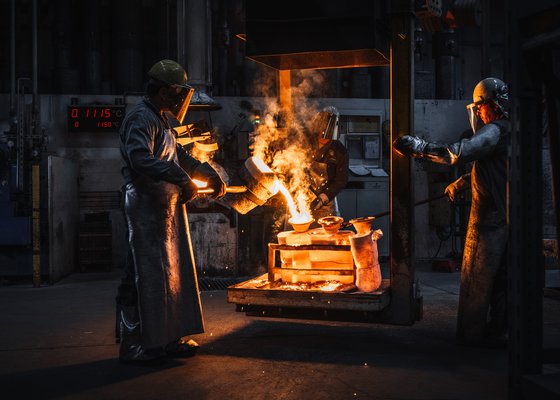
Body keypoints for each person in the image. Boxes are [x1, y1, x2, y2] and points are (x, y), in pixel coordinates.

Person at [116, 59, 226, 365]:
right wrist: (181, 178)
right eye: (178, 93)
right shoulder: (140, 118)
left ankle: (167, 337)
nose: (180, 100)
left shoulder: (160, 119)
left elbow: (178, 155)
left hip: (163, 207)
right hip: (144, 207)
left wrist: (207, 170)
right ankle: (133, 343)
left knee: (170, 274)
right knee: (138, 276)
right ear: (164, 92)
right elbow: (141, 159)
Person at [393, 77, 510, 348]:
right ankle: (499, 331)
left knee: (476, 281)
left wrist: (419, 148)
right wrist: (463, 182)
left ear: (491, 105)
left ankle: (472, 337)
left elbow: (459, 152)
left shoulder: (495, 130)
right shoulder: (510, 130)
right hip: (506, 217)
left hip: (490, 221)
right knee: (503, 279)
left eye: (480, 107)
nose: (479, 112)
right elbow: (493, 167)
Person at [308, 106, 349, 221]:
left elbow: (341, 180)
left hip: (327, 203)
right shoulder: (305, 143)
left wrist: (323, 197)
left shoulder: (340, 151)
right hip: (302, 197)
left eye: (327, 137)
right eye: (321, 134)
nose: (323, 139)